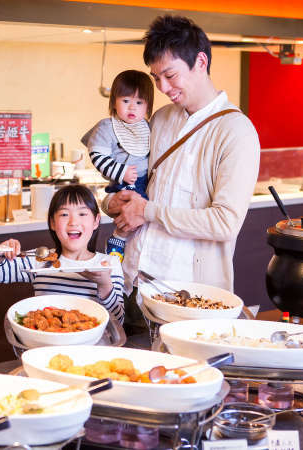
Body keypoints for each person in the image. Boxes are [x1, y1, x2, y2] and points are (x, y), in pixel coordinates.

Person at [105, 16, 260, 333]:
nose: (162, 88)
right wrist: (116, 200)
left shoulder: (236, 131)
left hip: (189, 301)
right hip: (133, 287)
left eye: (170, 75)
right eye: (156, 77)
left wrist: (147, 211)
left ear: (200, 62)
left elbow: (224, 223)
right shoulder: (161, 119)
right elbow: (137, 181)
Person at [0, 184, 125, 324]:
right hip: (43, 344)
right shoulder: (40, 259)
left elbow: (118, 321)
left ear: (96, 221)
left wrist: (105, 285)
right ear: (52, 222)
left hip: (91, 346)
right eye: (64, 214)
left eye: (82, 214)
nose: (73, 222)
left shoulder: (108, 264)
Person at [81, 70, 154, 262]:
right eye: (125, 101)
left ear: (147, 106)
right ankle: (116, 243)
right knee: (130, 213)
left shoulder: (146, 127)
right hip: (124, 182)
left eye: (139, 103)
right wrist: (121, 172)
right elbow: (97, 156)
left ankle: (123, 250)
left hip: (144, 182)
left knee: (141, 217)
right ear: (114, 101)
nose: (132, 107)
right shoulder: (107, 126)